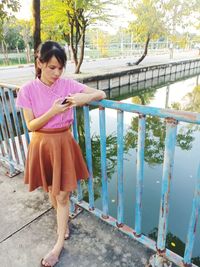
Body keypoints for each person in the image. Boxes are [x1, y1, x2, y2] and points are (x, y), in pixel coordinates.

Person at [16, 40, 106, 267]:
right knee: (51, 189)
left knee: (63, 195)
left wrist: (86, 97)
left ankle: (58, 244)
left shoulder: (66, 84)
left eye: (60, 68)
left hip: (63, 141)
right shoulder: (27, 90)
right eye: (51, 67)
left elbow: (101, 93)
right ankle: (63, 224)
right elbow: (30, 125)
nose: (56, 73)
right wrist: (53, 110)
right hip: (42, 143)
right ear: (40, 63)